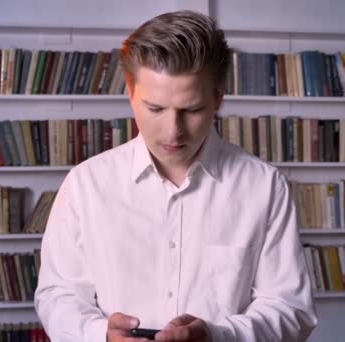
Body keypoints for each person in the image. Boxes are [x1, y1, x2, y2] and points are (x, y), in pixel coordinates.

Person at [34, 10, 318, 342]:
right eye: (155, 109)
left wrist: (218, 336)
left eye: (192, 110)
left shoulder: (264, 187)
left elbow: (290, 308)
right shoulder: (86, 185)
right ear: (130, 94)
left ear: (217, 99)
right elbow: (58, 294)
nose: (173, 131)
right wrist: (99, 335)